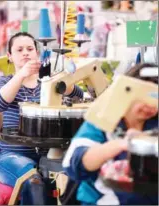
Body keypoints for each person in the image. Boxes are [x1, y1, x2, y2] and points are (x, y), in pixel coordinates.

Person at [0, 32, 84, 203]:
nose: (26, 53)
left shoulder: (48, 83)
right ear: (9, 56)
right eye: (19, 50)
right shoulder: (4, 83)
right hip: (12, 157)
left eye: (30, 49)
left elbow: (79, 96)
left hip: (49, 156)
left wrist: (64, 83)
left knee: (76, 179)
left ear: (37, 53)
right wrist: (21, 75)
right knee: (35, 182)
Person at [62, 63, 158, 205]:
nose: (151, 106)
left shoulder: (154, 124)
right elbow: (75, 164)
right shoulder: (102, 122)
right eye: (144, 99)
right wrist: (122, 144)